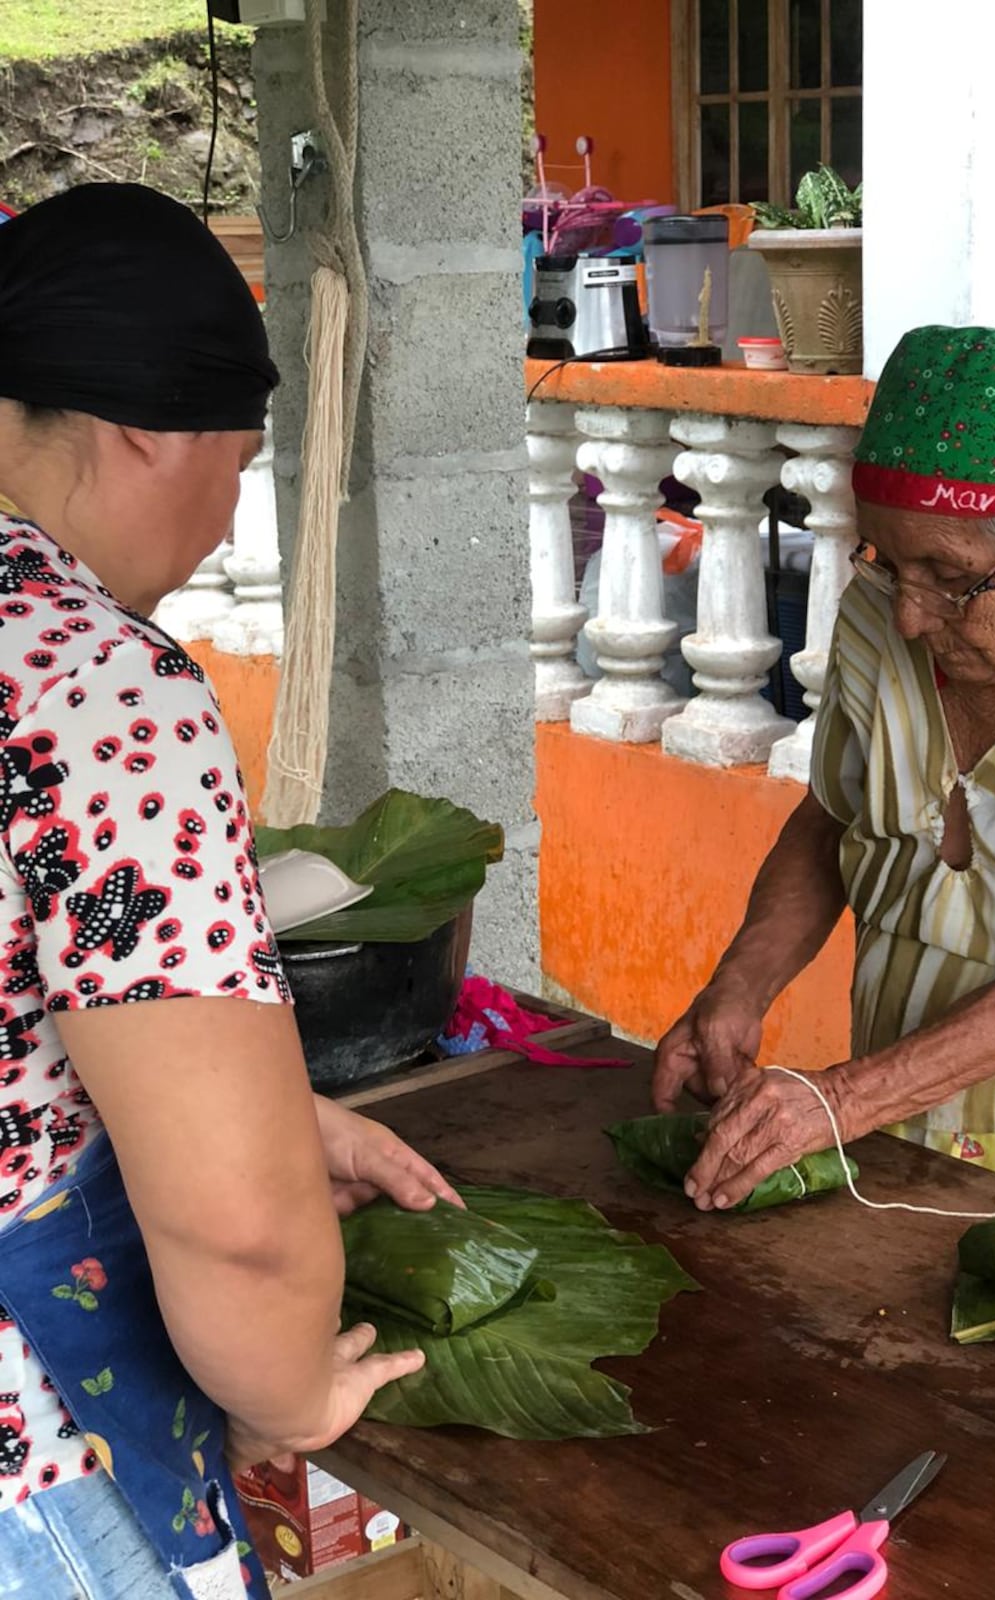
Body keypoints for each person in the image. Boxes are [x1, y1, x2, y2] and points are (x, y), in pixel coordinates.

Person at [0, 184, 457, 1599]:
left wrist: (272, 1115)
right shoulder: (89, 681)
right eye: (241, 464)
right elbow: (240, 1228)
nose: (219, 526)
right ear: (150, 428)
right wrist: (285, 1391)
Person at [655, 324, 995, 1215]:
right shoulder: (882, 609)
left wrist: (840, 1099)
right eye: (885, 558)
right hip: (896, 1109)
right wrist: (739, 987)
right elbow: (833, 820)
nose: (910, 615)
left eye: (950, 576)